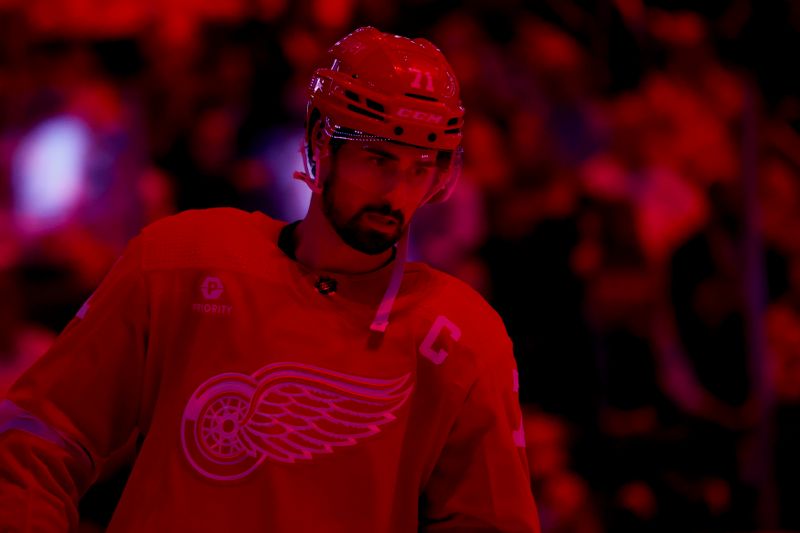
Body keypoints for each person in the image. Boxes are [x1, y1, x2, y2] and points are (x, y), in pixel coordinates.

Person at [0, 27, 539, 532]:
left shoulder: (465, 340)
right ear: (321, 143)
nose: (397, 191)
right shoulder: (180, 262)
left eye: (421, 167)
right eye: (377, 159)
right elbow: (36, 439)